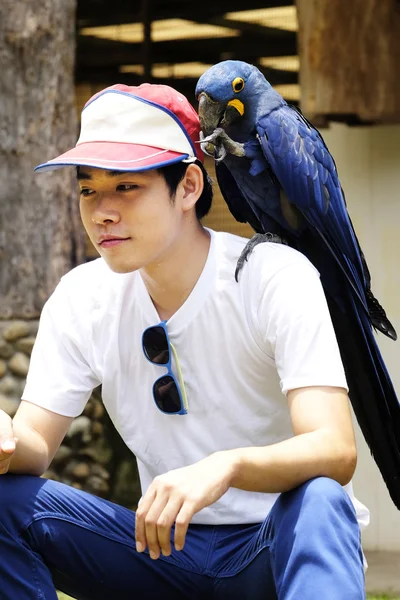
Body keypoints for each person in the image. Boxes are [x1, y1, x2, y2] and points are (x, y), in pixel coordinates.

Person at [0, 83, 369, 599]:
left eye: (126, 187)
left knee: (322, 499)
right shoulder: (81, 297)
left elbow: (334, 449)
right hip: (161, 552)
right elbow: (34, 449)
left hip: (272, 548)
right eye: (88, 190)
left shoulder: (273, 276)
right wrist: (5, 439)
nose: (102, 211)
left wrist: (228, 466)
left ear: (189, 187)